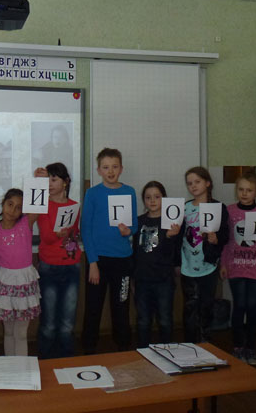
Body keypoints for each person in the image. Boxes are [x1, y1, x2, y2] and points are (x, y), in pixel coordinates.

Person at [81, 148, 137, 354]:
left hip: (123, 260)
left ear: (121, 169)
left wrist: (128, 231)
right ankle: (89, 349)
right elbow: (85, 229)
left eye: (114, 167)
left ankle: (123, 347)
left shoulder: (129, 191)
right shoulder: (92, 193)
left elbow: (134, 225)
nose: (110, 171)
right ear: (99, 170)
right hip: (98, 261)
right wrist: (92, 262)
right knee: (93, 307)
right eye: (106, 167)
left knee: (121, 306)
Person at [220, 171, 256, 365]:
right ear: (236, 190)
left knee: (252, 308)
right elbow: (226, 241)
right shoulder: (230, 211)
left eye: (249, 190)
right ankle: (237, 347)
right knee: (239, 306)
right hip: (235, 267)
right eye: (241, 189)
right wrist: (223, 264)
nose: (244, 193)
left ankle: (251, 348)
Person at [33, 163, 82, 359]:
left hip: (72, 266)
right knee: (49, 322)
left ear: (65, 182)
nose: (50, 184)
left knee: (68, 322)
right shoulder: (42, 205)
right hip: (49, 267)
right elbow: (46, 237)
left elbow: (75, 234)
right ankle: (46, 360)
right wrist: (58, 234)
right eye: (47, 180)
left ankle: (66, 361)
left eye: (54, 179)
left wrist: (69, 235)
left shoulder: (74, 206)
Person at [179, 167, 229, 344]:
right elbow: (177, 236)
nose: (193, 186)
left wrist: (216, 239)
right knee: (190, 308)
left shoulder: (218, 207)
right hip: (187, 267)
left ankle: (206, 345)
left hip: (208, 266)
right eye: (189, 183)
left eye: (197, 182)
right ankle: (190, 344)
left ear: (207, 183)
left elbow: (225, 235)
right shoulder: (184, 208)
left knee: (206, 307)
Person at [0, 189, 41, 356]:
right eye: (10, 204)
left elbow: (37, 205)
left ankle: (22, 368)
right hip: (6, 283)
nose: (12, 210)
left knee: (21, 333)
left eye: (18, 207)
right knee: (9, 332)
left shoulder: (25, 224)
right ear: (3, 204)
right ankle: (11, 366)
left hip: (24, 281)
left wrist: (40, 181)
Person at [133, 181, 180, 348]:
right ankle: (143, 352)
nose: (152, 201)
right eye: (148, 197)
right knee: (143, 320)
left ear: (164, 199)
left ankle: (167, 351)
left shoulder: (171, 223)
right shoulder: (138, 221)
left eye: (157, 197)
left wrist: (170, 237)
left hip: (163, 280)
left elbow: (172, 253)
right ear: (143, 200)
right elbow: (135, 251)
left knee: (165, 319)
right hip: (142, 279)